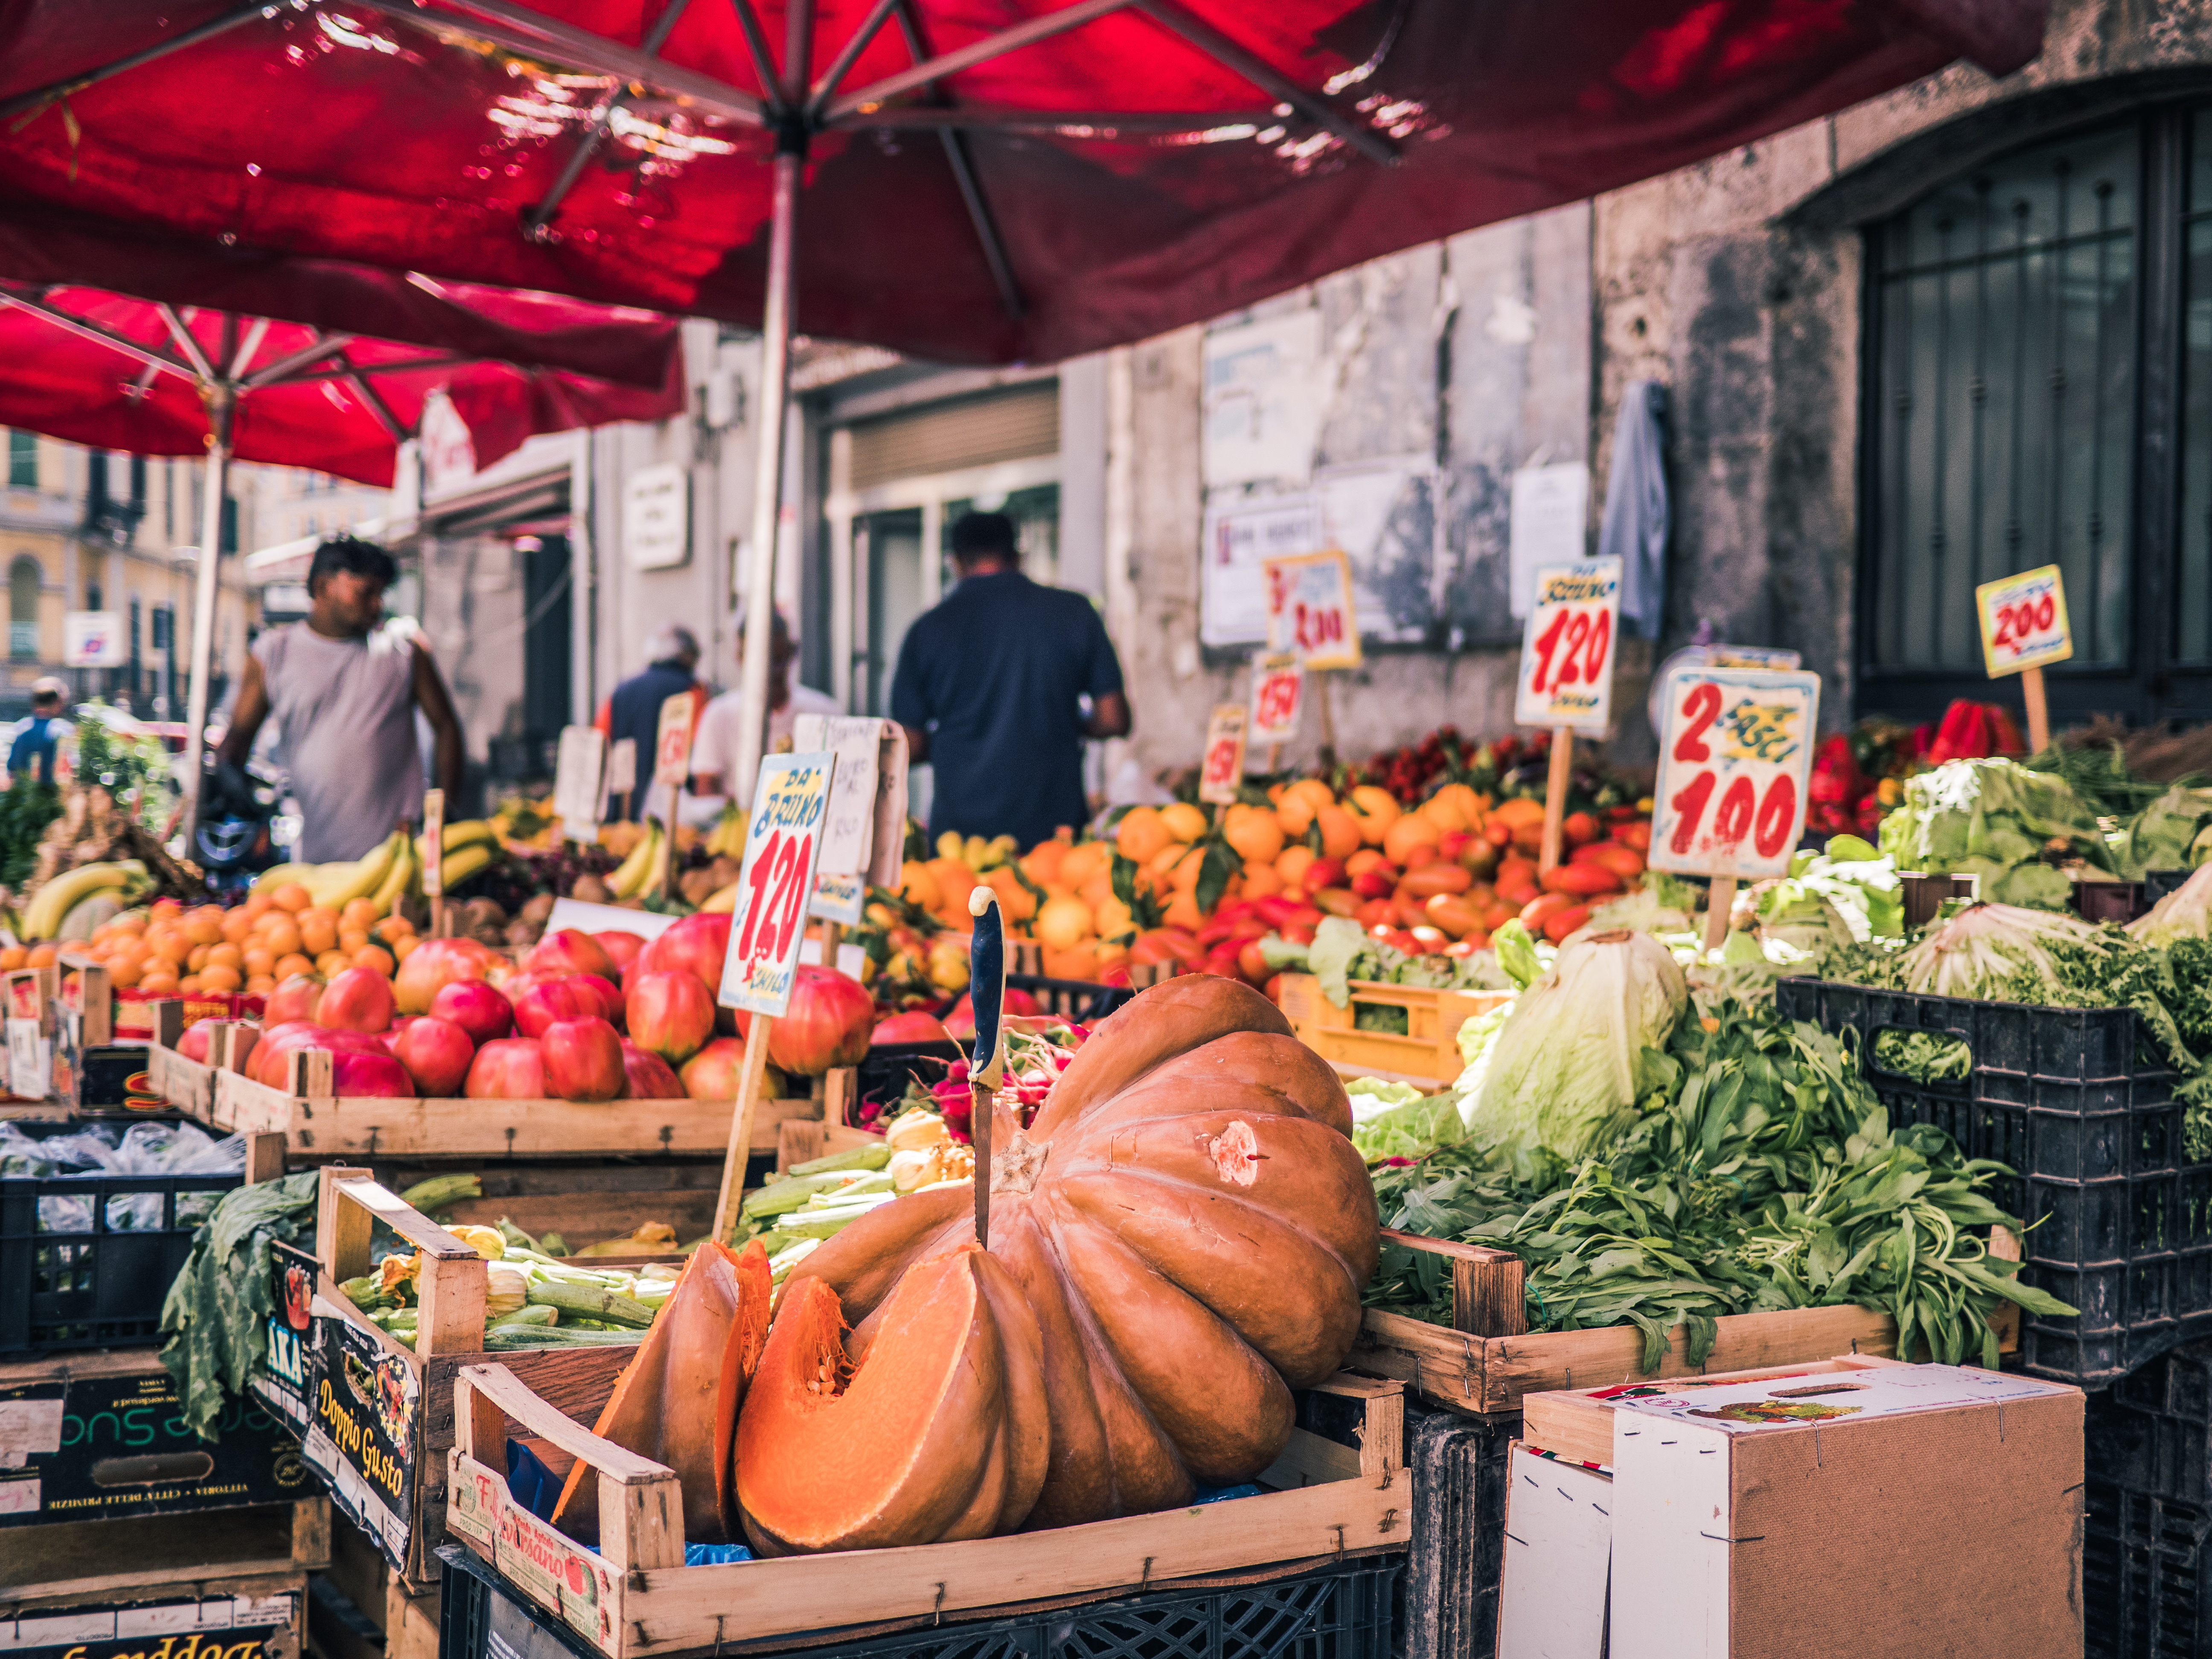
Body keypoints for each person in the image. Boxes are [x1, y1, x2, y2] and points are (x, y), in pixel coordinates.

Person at [890, 511, 1129, 850]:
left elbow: (909, 744)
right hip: (1056, 838)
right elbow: (1113, 719)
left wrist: (963, 737)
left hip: (961, 843)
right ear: (1017, 556)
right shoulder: (1075, 612)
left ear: (956, 562)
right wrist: (1060, 721)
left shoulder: (927, 631)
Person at [218, 535, 464, 863]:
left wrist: (444, 806)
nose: (377, 605)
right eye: (366, 593)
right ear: (323, 587)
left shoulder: (403, 651)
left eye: (381, 594)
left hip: (403, 856)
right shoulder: (273, 654)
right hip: (318, 859)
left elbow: (446, 726)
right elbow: (237, 739)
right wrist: (230, 777)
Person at [688, 610, 839, 814]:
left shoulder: (826, 713)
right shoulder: (718, 715)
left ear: (792, 653)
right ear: (740, 659)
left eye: (777, 660)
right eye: (760, 662)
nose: (771, 671)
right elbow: (706, 789)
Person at [594, 623, 704, 822]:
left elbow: (599, 741)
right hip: (672, 815)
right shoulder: (694, 691)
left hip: (620, 811)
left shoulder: (619, 692)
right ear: (687, 656)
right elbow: (702, 748)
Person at [8, 678, 71, 785]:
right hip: (49, 791)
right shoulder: (62, 729)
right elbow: (66, 767)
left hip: (23, 790)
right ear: (57, 703)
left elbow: (12, 768)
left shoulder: (20, 727)